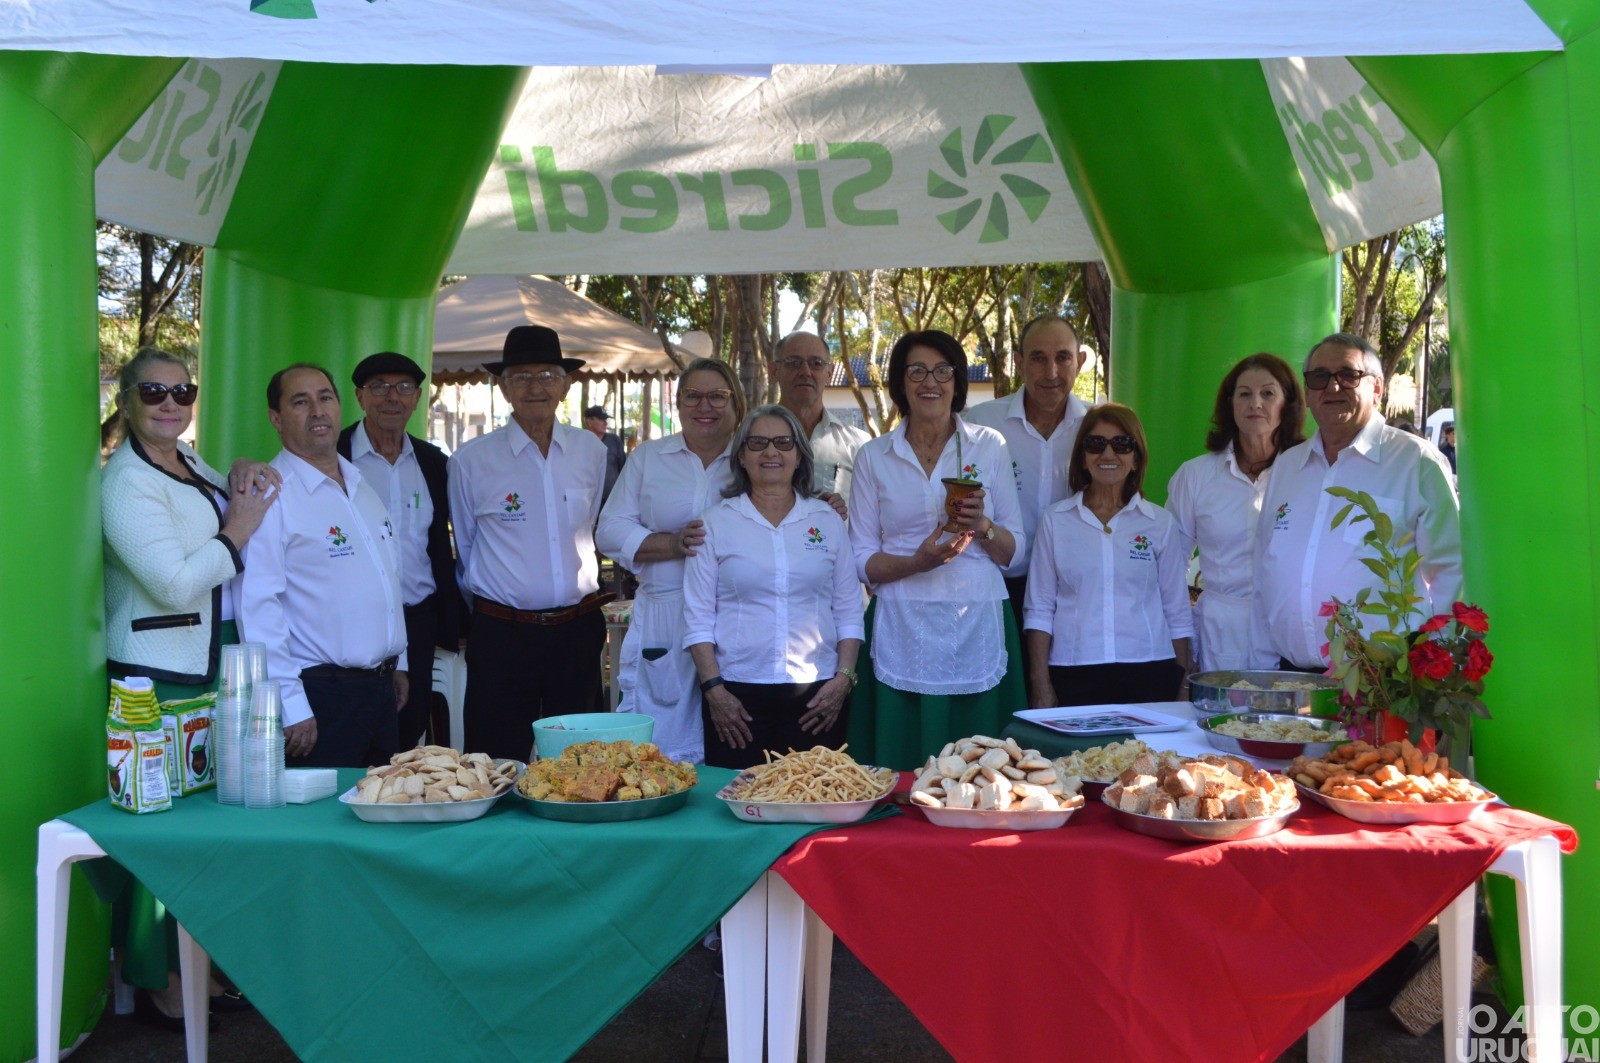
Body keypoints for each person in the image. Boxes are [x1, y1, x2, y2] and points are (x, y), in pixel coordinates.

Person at [101, 347, 278, 1028]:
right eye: (155, 391)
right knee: (161, 834)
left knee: (205, 829)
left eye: (184, 389)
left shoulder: (187, 459)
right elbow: (173, 581)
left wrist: (237, 478)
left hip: (206, 666)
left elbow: (226, 503)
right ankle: (160, 979)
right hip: (156, 676)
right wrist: (238, 528)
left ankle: (198, 964)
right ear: (126, 398)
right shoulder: (124, 482)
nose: (171, 402)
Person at [846, 329, 1023, 769]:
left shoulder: (990, 445)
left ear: (958, 380)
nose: (931, 381)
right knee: (902, 760)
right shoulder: (874, 455)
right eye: (917, 370)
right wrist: (915, 563)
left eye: (943, 370)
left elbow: (1015, 553)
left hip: (976, 618)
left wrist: (982, 525)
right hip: (901, 618)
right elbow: (860, 558)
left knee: (983, 767)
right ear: (901, 383)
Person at [1254, 333, 1462, 672]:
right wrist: (1262, 664)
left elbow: (1450, 571)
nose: (1332, 388)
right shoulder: (1287, 466)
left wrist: (1436, 668)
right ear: (1307, 393)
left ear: (1377, 388)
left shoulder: (1416, 462)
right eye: (1319, 378)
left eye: (1348, 375)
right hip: (1289, 676)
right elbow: (1265, 569)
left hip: (1383, 683)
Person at [449, 326, 608, 761]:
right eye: (520, 376)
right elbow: (467, 547)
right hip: (502, 636)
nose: (534, 387)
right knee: (495, 762)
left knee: (581, 764)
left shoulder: (590, 452)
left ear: (565, 383)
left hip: (576, 633)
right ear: (503, 387)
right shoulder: (470, 461)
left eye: (546, 375)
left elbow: (588, 525)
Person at [238, 363, 409, 768]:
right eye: (301, 402)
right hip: (320, 698)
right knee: (324, 827)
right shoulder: (270, 495)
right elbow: (257, 608)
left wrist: (398, 663)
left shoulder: (362, 486)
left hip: (380, 692)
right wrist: (288, 703)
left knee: (384, 819)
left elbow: (388, 582)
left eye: (325, 397)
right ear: (275, 419)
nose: (317, 410)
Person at [684, 405, 865, 767]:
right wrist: (714, 691)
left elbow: (848, 609)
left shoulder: (826, 520)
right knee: (740, 807)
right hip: (735, 698)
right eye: (758, 443)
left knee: (813, 806)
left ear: (799, 454)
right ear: (742, 456)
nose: (771, 452)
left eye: (783, 442)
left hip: (818, 698)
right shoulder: (715, 523)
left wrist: (843, 681)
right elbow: (697, 619)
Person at [597, 357, 746, 763]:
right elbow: (608, 530)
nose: (705, 406)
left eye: (718, 396)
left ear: (737, 403)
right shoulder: (650, 458)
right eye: (693, 396)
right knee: (661, 744)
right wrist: (672, 544)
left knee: (734, 733)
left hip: (736, 615)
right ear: (677, 404)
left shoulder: (752, 457)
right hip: (666, 611)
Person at [338, 352, 467, 748]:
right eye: (380, 387)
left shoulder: (433, 463)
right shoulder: (334, 455)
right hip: (353, 621)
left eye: (404, 388)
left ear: (417, 398)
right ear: (360, 397)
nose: (392, 397)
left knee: (410, 727)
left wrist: (457, 620)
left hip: (418, 621)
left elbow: (442, 551)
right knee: (355, 728)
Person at [1025, 404, 1193, 707]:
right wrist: (1040, 685)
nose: (1108, 454)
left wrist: (1183, 686)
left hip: (1150, 670)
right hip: (1073, 672)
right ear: (1082, 456)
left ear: (1137, 457)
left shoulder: (1159, 522)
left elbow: (1177, 611)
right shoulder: (1055, 520)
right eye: (1096, 444)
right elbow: (1039, 610)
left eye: (1122, 444)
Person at [964, 314, 1090, 676]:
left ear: (1079, 361)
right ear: (1018, 362)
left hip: (1073, 594)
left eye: (1062, 357)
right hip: (999, 587)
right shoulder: (984, 422)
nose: (1051, 371)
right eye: (1037, 357)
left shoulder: (1097, 428)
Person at [1166, 353, 1306, 673]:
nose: (1255, 403)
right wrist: (1182, 640)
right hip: (1218, 633)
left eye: (1268, 393)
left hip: (1287, 633)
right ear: (1229, 404)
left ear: (1288, 404)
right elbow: (1171, 565)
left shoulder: (1307, 473)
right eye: (1244, 394)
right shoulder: (1195, 476)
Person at [771, 331, 870, 505]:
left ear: (830, 374)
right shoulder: (751, 443)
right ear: (774, 371)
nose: (805, 372)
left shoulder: (858, 445)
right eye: (794, 363)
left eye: (816, 363)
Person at [584, 403, 627, 505]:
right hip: (587, 501)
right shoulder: (581, 442)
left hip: (612, 500)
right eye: (601, 419)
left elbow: (624, 469)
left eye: (605, 420)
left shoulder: (614, 441)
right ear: (589, 421)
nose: (605, 423)